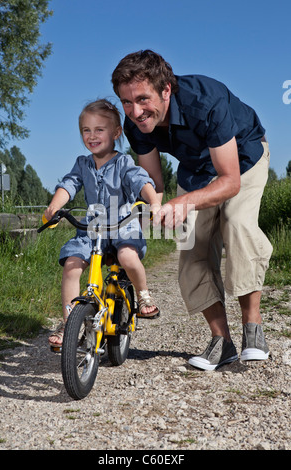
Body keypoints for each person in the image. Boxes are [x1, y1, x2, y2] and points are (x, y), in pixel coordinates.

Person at [111, 50, 273, 370]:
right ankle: (222, 342)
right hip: (196, 170)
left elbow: (229, 182)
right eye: (126, 102)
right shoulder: (135, 124)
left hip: (242, 161)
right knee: (192, 244)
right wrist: (154, 208)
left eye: (142, 99)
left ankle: (252, 328)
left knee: (236, 222)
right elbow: (154, 183)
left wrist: (183, 202)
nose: (135, 111)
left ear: (166, 90)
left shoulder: (205, 101)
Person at [45, 98, 161, 348]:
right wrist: (55, 206)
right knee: (72, 265)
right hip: (93, 228)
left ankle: (143, 296)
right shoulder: (82, 163)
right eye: (86, 130)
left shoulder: (123, 163)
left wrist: (154, 203)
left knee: (128, 258)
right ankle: (68, 323)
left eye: (99, 129)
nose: (92, 135)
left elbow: (140, 180)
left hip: (122, 225)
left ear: (116, 133)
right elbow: (69, 184)